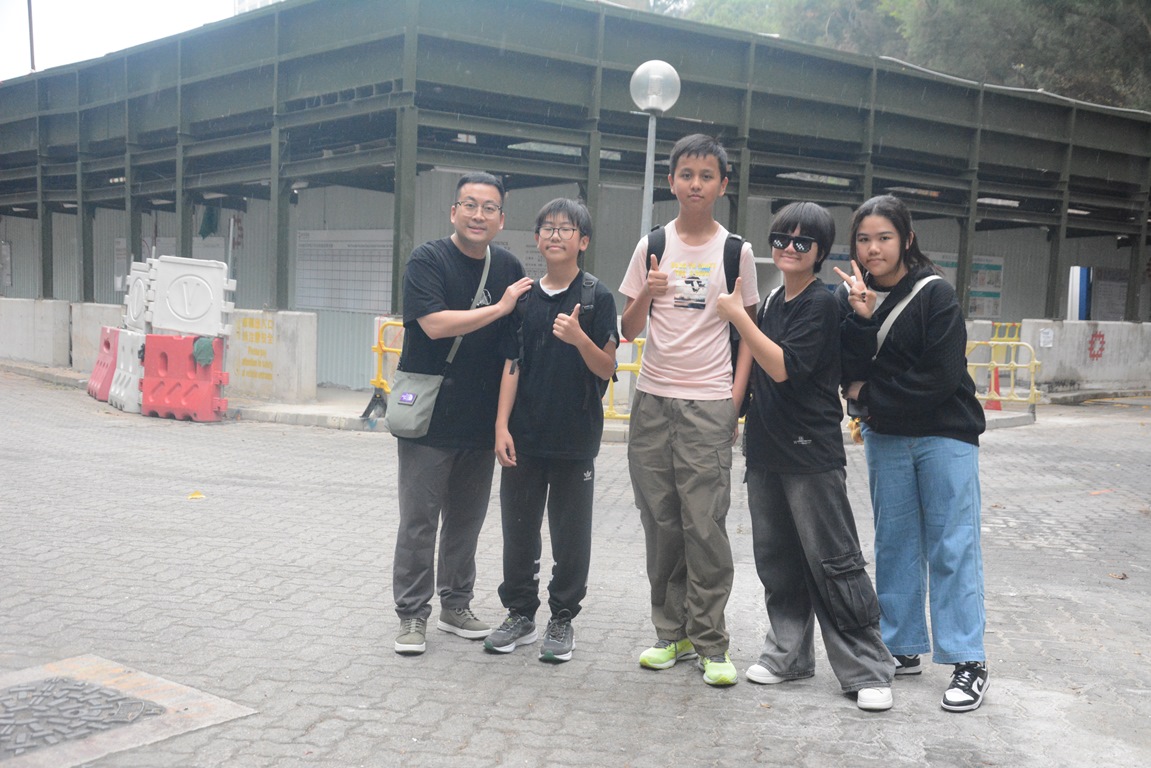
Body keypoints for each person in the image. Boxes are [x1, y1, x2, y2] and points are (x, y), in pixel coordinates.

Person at [716, 201, 895, 711]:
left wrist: (739, 317)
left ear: (819, 252)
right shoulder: (776, 298)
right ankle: (788, 654)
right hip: (766, 450)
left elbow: (782, 366)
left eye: (802, 242)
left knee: (834, 562)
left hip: (810, 453)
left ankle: (867, 667)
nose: (789, 249)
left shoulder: (820, 303)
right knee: (779, 563)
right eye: (781, 239)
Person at [835, 193, 989, 712]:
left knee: (952, 544)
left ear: (907, 240)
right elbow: (847, 371)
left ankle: (968, 660)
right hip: (887, 438)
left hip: (946, 435)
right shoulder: (853, 297)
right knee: (895, 542)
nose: (873, 248)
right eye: (864, 239)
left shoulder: (935, 294)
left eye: (884, 237)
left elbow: (940, 377)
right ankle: (901, 646)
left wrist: (872, 396)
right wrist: (860, 319)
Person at [619, 133, 759, 687]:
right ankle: (670, 633)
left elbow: (747, 334)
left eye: (706, 176)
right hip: (652, 400)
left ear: (722, 185)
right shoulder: (652, 244)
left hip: (709, 403)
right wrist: (648, 292)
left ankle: (710, 642)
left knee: (704, 525)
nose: (695, 184)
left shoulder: (736, 251)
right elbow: (628, 330)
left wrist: (734, 402)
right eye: (685, 174)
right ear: (671, 181)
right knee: (661, 522)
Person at [391, 172, 533, 655]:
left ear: (500, 219)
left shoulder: (508, 267)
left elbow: (514, 350)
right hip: (429, 419)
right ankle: (412, 615)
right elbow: (433, 324)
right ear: (454, 212)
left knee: (466, 522)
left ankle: (455, 605)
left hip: (479, 421)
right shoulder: (427, 259)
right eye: (469, 205)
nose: (478, 215)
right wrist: (500, 307)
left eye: (488, 208)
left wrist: (503, 423)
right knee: (419, 521)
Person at [486, 198, 619, 663]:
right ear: (537, 239)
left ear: (583, 241)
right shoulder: (522, 297)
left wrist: (579, 338)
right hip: (524, 437)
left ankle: (562, 618)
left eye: (566, 229)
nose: (555, 235)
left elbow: (607, 368)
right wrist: (501, 426)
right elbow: (512, 363)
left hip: (574, 439)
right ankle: (520, 614)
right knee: (518, 532)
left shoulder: (597, 296)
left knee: (571, 536)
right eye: (547, 228)